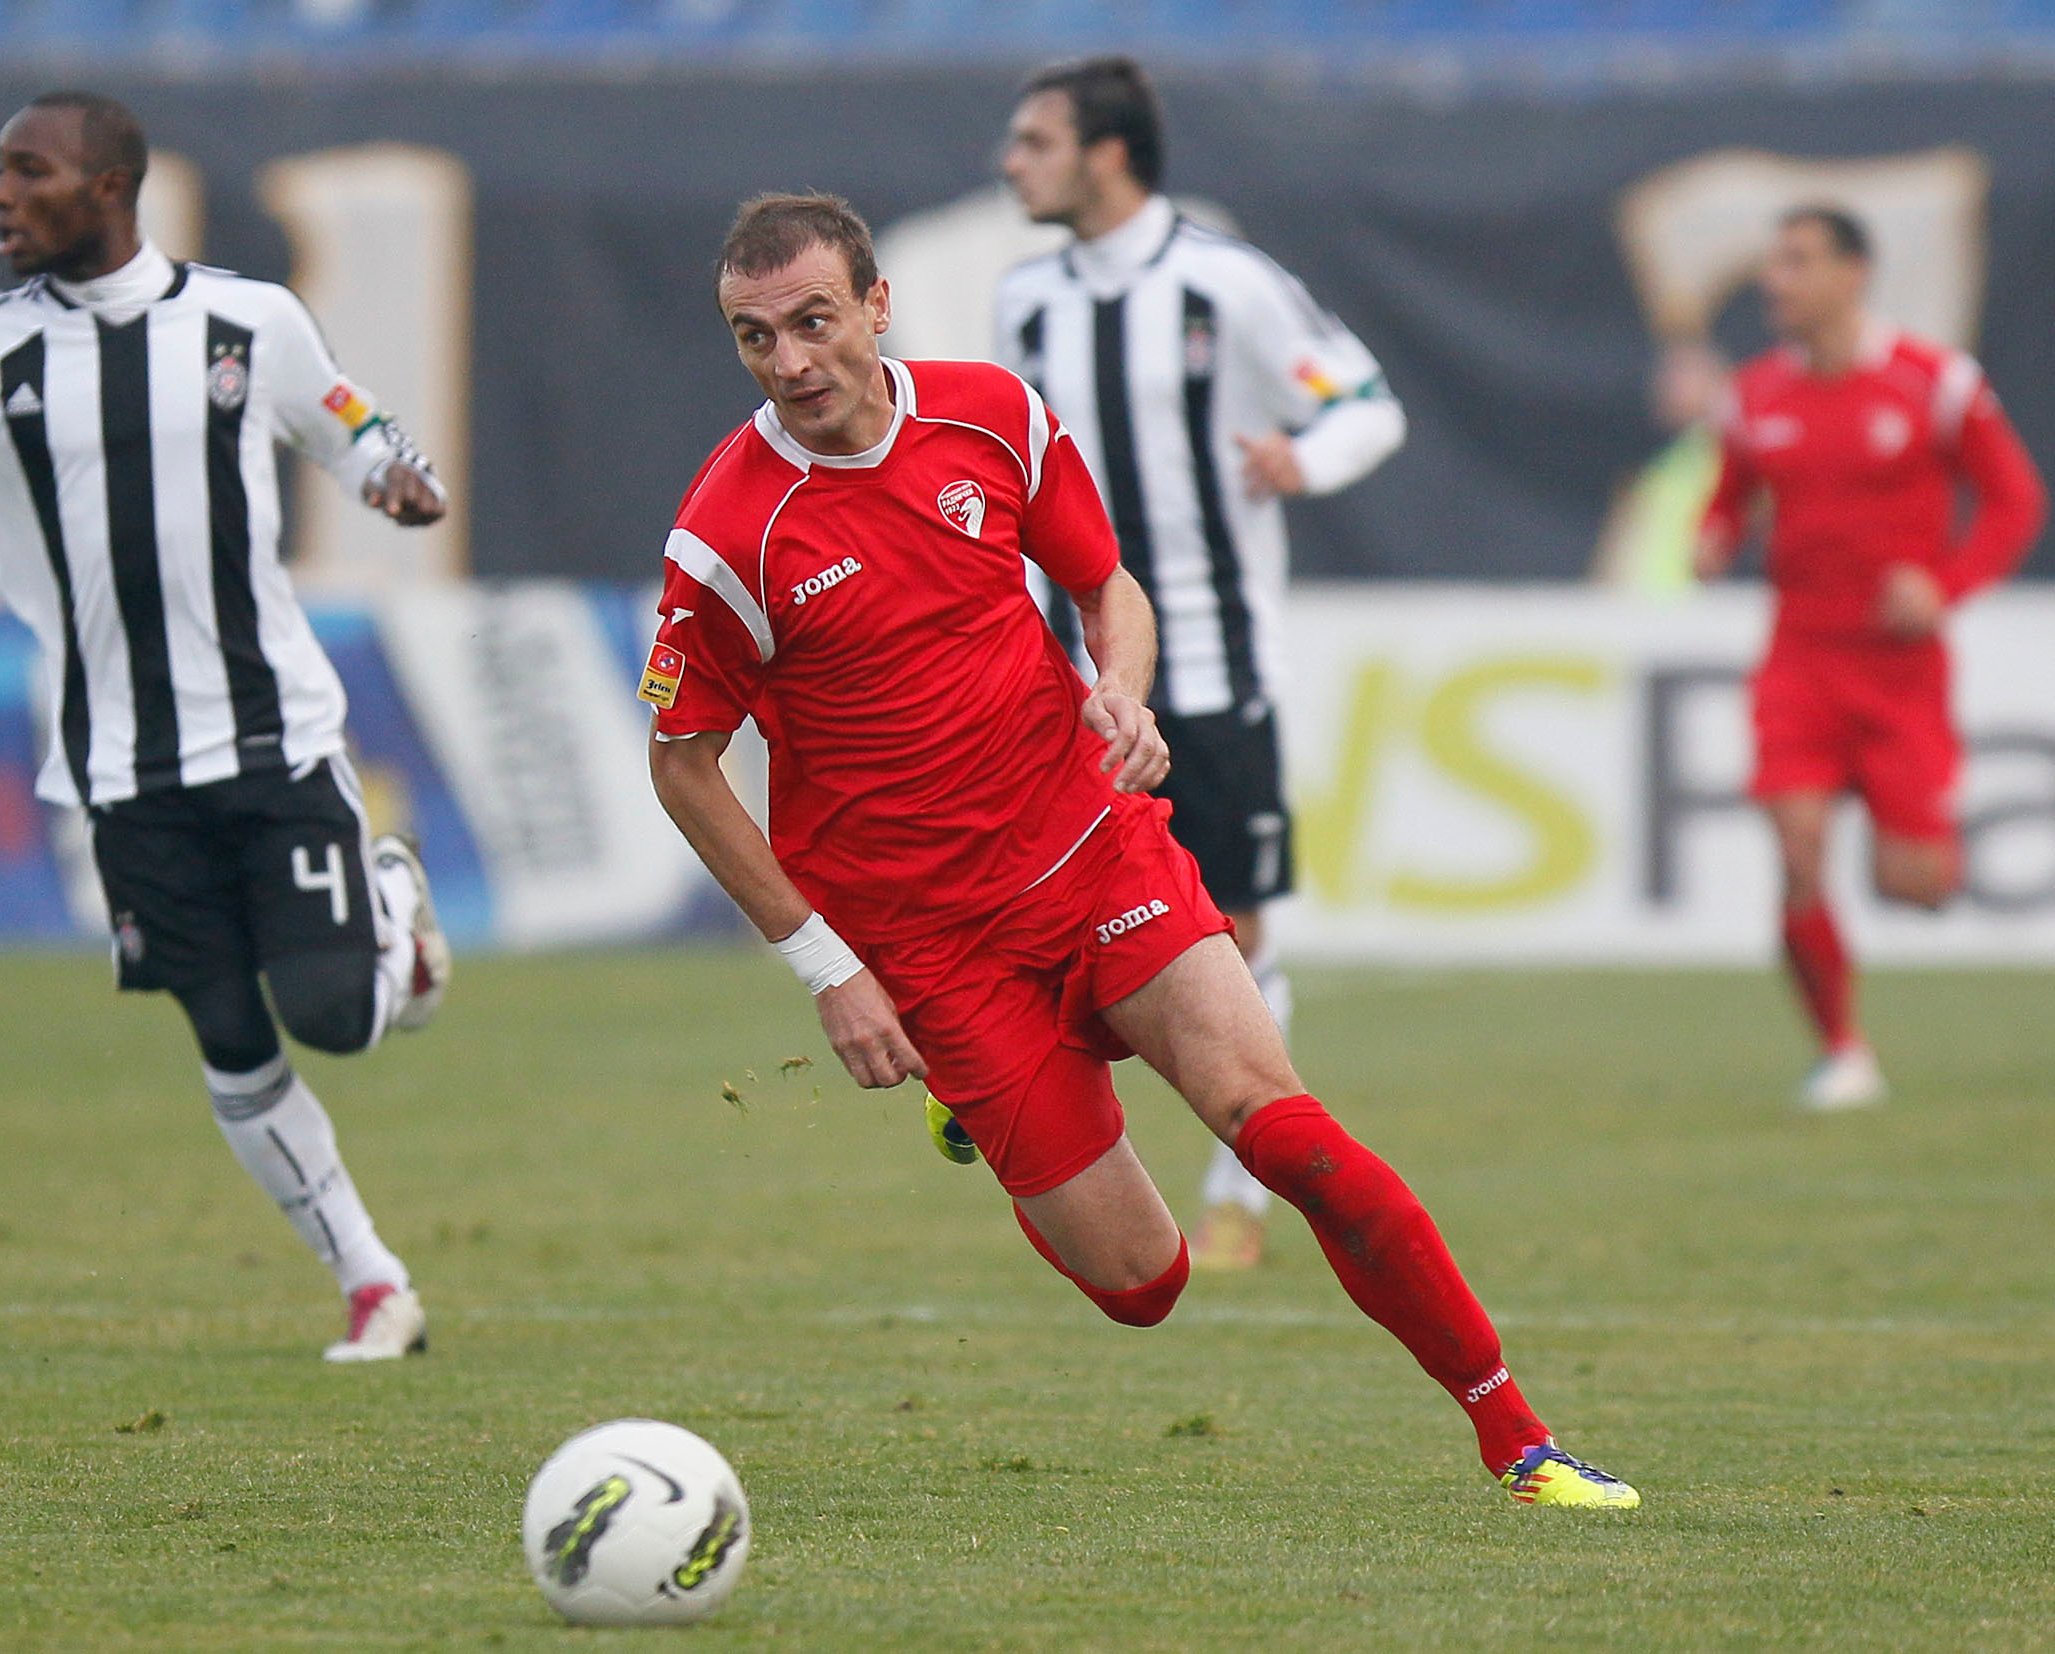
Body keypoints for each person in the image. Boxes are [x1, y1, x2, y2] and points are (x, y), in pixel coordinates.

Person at [645, 191, 1637, 1507]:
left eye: (814, 322)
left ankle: (1519, 1438)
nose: (790, 362)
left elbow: (1107, 586)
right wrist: (830, 969)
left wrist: (1124, 688)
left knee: (1289, 1137)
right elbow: (681, 759)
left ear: (877, 307)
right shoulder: (730, 531)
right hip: (932, 944)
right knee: (1144, 1286)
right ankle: (980, 1083)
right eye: (754, 338)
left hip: (1094, 847)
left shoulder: (992, 416)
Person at [0, 82, 455, 1360]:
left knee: (337, 1019)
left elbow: (345, 419)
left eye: (29, 172)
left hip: (272, 737)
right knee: (233, 1044)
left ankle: (389, 906)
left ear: (110, 188)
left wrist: (392, 471)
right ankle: (370, 1280)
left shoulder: (250, 320)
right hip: (122, 768)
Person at [987, 57, 1406, 1269]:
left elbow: (1366, 401)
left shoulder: (1227, 284)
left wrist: (1303, 460)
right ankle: (989, 1082)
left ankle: (1237, 1197)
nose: (1012, 162)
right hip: (1067, 680)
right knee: (1032, 917)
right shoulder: (1026, 304)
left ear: (1106, 154)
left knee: (1236, 931)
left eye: (1035, 141)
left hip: (1214, 672)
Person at [1697, 206, 2044, 1110]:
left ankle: (1931, 854)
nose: (1777, 279)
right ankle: (1842, 1051)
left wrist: (1946, 584)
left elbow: (2013, 501)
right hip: (1799, 659)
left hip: (1899, 669)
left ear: (1854, 274)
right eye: (1775, 260)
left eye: (1798, 261)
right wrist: (1713, 535)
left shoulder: (1935, 384)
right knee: (1799, 847)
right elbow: (1728, 497)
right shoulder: (1754, 394)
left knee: (1914, 885)